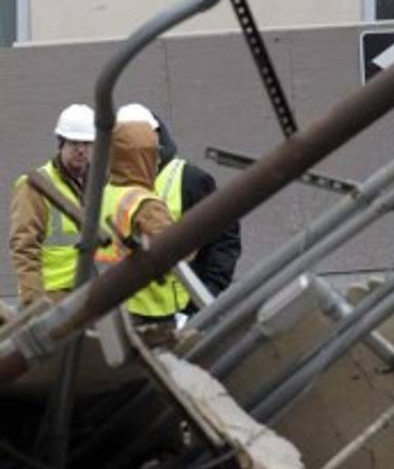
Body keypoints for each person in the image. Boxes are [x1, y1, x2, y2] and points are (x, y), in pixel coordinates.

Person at [116, 104, 241, 303]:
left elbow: (223, 238)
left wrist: (208, 291)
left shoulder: (190, 180)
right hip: (124, 311)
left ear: (156, 136)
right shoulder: (106, 185)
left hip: (182, 308)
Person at [94, 119, 182, 321]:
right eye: (153, 154)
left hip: (116, 305)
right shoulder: (144, 203)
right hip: (151, 310)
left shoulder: (106, 193)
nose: (158, 160)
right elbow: (178, 250)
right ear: (142, 156)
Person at [9, 104, 95, 307]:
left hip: (93, 292)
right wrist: (34, 303)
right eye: (74, 143)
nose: (81, 150)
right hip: (54, 298)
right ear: (61, 143)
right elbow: (24, 247)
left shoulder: (102, 184)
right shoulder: (35, 186)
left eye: (87, 143)